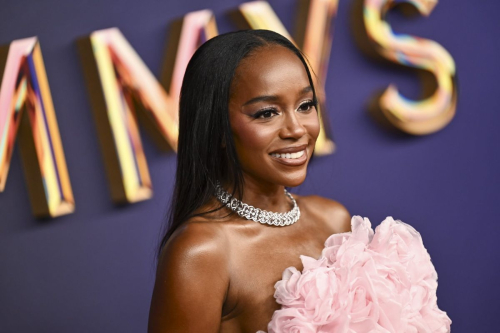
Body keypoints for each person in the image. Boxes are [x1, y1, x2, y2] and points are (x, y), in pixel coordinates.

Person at [148, 29, 351, 332]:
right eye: (267, 113)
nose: (296, 129)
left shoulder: (334, 220)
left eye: (306, 105)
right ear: (217, 129)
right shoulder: (202, 252)